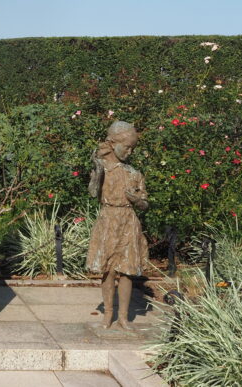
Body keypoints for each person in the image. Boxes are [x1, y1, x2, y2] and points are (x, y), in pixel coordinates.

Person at [86, 121, 150, 330]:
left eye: (133, 148)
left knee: (127, 270)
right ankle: (108, 315)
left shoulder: (134, 173)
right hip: (108, 220)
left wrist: (136, 200)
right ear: (113, 143)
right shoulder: (103, 167)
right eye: (127, 146)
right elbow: (93, 193)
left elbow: (145, 204)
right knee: (109, 270)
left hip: (128, 221)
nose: (130, 152)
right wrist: (97, 170)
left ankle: (123, 316)